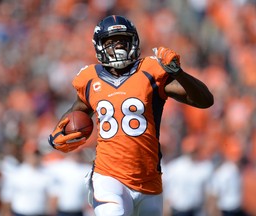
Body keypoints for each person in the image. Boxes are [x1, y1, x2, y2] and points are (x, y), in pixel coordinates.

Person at [48, 15, 214, 216]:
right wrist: (58, 131)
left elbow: (205, 100)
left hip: (149, 180)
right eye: (111, 42)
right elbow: (78, 111)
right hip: (108, 175)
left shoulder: (150, 72)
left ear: (133, 42)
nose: (118, 47)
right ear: (99, 46)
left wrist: (178, 72)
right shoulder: (90, 79)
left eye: (123, 41)